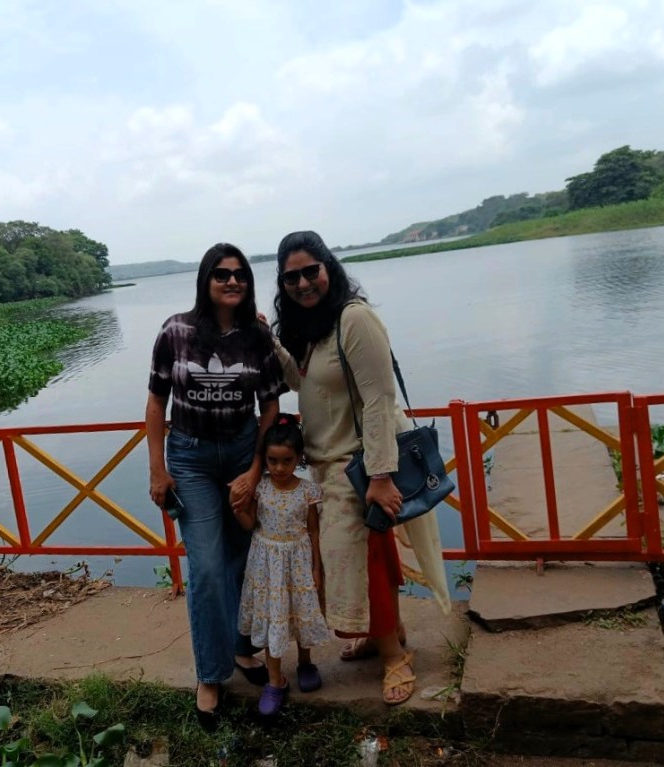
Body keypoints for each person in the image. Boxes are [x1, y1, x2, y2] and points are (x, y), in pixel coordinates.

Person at [267, 230, 451, 706]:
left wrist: (382, 476)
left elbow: (378, 400)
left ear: (329, 267)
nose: (303, 283)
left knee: (358, 563)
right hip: (330, 468)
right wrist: (269, 341)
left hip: (361, 465)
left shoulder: (354, 318)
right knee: (367, 557)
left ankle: (394, 657)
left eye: (311, 271)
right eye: (292, 277)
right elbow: (306, 385)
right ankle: (382, 634)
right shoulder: (314, 329)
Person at [145, 243, 286, 725]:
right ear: (205, 281)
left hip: (243, 453)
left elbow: (270, 406)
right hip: (190, 458)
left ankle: (245, 649)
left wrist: (255, 470)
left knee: (244, 559)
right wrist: (156, 468)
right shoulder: (176, 331)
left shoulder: (256, 337)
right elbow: (155, 402)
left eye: (240, 274)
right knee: (206, 566)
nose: (232, 281)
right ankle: (210, 673)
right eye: (221, 274)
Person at [234, 413, 330, 716]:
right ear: (264, 460)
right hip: (266, 564)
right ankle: (275, 680)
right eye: (272, 461)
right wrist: (235, 508)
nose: (278, 468)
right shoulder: (260, 488)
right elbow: (250, 523)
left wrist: (316, 567)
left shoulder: (307, 491)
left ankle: (305, 662)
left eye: (286, 461)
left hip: (299, 560)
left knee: (300, 612)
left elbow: (313, 530)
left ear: (298, 458)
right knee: (271, 616)